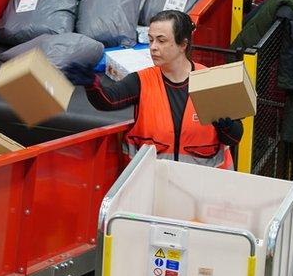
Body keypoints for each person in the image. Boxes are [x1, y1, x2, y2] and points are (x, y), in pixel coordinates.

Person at [64, 10, 243, 169]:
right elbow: (108, 100)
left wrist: (227, 126)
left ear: (183, 45)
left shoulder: (210, 81)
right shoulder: (141, 80)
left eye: (161, 40)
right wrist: (91, 83)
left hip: (200, 192)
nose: (153, 47)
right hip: (151, 189)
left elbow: (234, 139)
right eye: (150, 40)